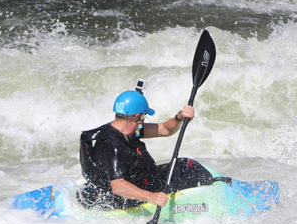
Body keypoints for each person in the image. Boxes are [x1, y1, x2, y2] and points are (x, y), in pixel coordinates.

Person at [77, 89, 217, 210]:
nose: (144, 120)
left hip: (140, 179)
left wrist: (179, 117)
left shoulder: (129, 130)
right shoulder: (113, 145)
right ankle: (213, 197)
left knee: (184, 165)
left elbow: (165, 129)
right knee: (187, 171)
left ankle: (215, 184)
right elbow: (118, 186)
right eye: (144, 116)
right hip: (122, 197)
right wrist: (152, 197)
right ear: (137, 116)